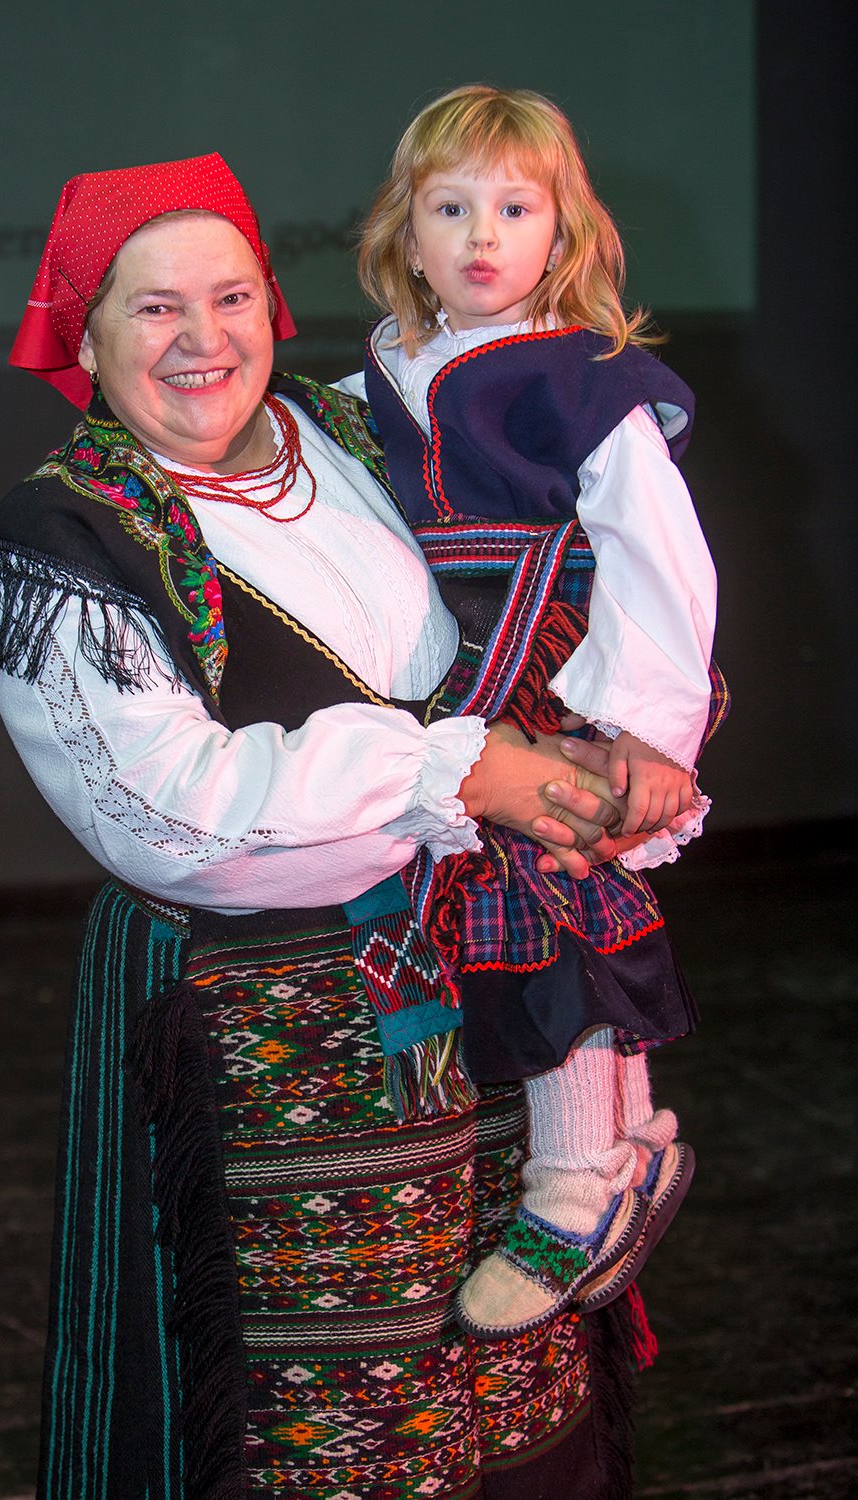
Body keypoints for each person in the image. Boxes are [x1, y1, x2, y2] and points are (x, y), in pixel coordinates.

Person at [0, 153, 662, 1499]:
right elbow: (172, 815)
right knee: (344, 1436)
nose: (203, 338)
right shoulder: (65, 532)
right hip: (281, 1045)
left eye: (230, 297)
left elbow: (575, 559)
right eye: (154, 308)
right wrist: (464, 772)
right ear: (85, 338)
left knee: (528, 1391)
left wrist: (627, 725)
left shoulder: (366, 432)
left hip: (492, 978)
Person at [353, 85, 725, 1339]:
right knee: (512, 902)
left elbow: (658, 555)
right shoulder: (385, 365)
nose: (481, 236)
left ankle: (572, 1190)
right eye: (450, 208)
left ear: (563, 232)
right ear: (406, 235)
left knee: (551, 890)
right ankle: (626, 1147)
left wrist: (649, 731)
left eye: (515, 209)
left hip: (549, 665)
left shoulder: (585, 375)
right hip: (452, 675)